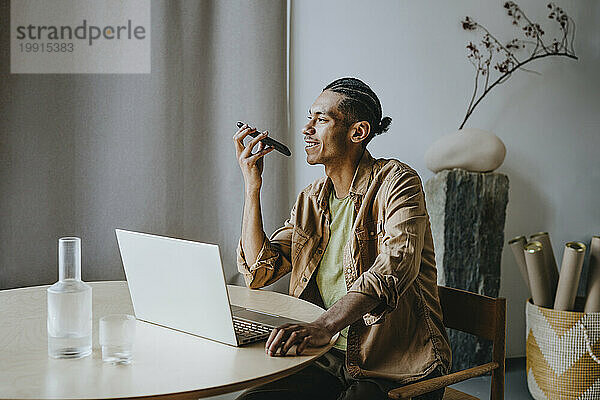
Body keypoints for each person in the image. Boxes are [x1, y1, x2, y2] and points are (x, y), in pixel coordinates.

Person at [233, 77, 451, 400]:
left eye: (320, 120)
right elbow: (259, 270)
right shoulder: (311, 200)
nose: (307, 128)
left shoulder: (398, 182)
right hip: (328, 361)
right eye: (310, 118)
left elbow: (392, 271)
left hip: (395, 371)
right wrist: (252, 187)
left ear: (358, 132)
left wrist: (323, 326)